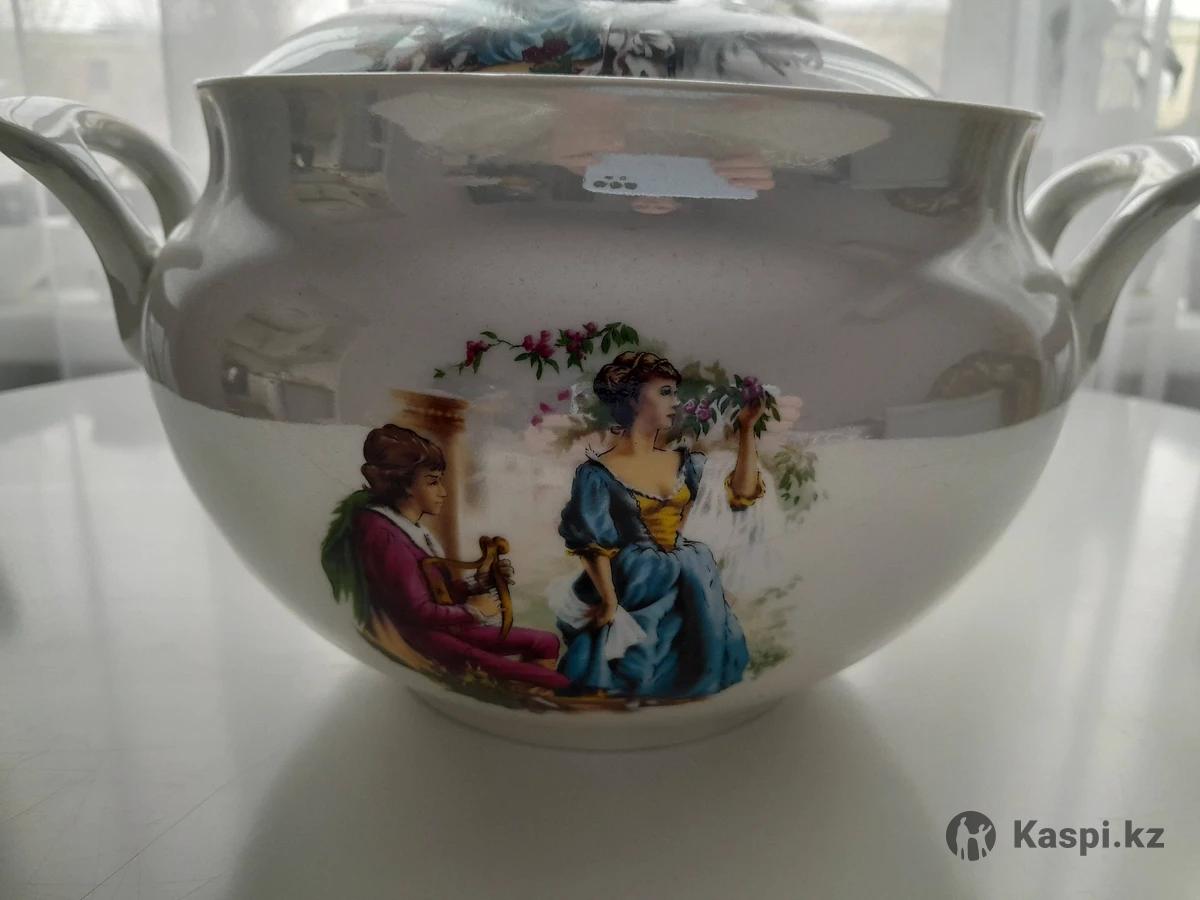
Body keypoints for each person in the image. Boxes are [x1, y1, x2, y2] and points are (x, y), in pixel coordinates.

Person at [553, 351, 766, 698]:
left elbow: (742, 493)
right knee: (633, 658)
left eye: (675, 392)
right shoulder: (596, 473)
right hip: (634, 577)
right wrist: (609, 601)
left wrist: (746, 429)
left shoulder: (686, 463)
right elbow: (591, 544)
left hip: (689, 570)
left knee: (701, 644)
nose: (675, 402)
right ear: (633, 399)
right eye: (665, 392)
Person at [352, 425, 569, 691]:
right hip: (422, 638)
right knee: (559, 683)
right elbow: (417, 612)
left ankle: (529, 698)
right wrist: (473, 612)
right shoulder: (386, 536)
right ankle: (528, 698)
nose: (443, 491)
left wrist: (478, 583)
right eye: (432, 482)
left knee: (546, 642)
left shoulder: (413, 530)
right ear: (405, 485)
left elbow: (433, 592)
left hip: (444, 629)